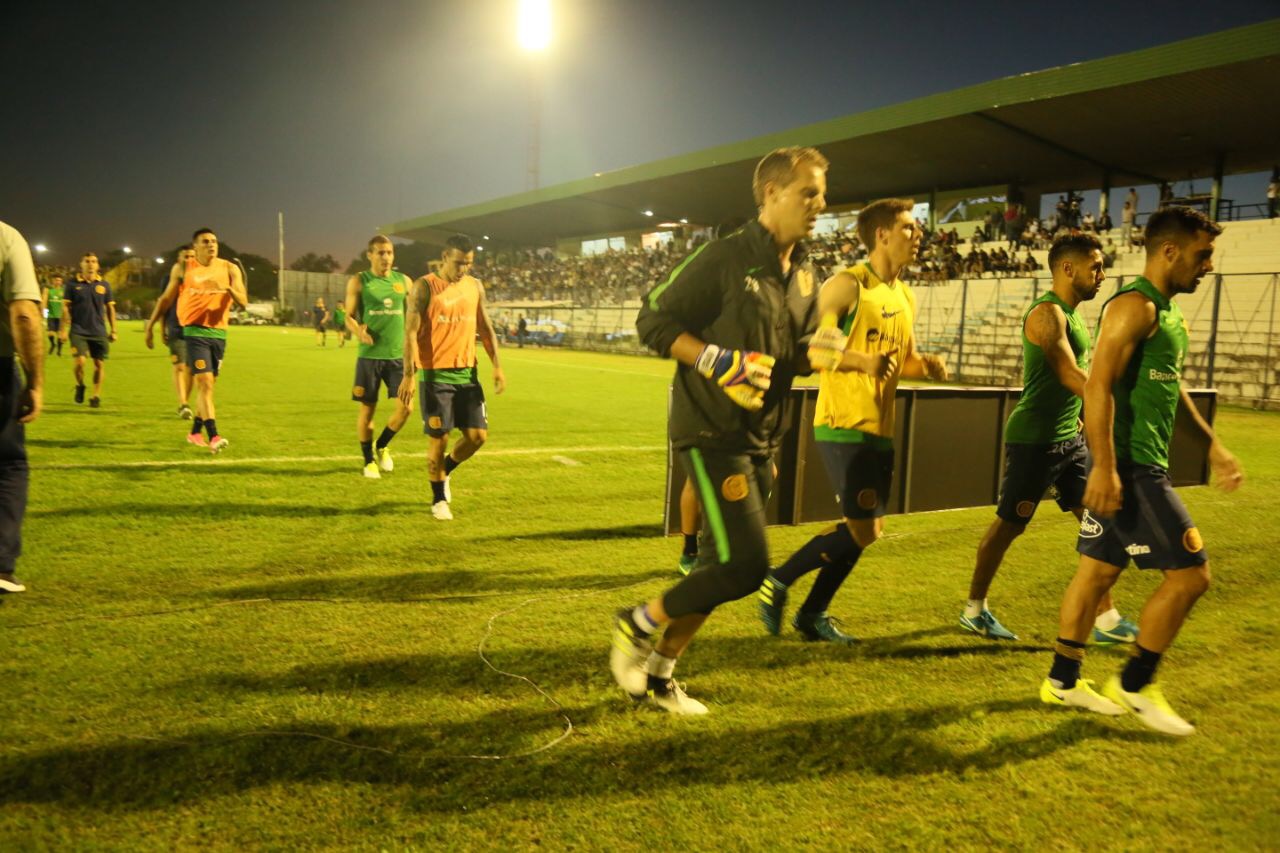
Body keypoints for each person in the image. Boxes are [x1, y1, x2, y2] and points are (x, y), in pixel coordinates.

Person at [609, 146, 826, 714]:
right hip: (709, 433)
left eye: (821, 194)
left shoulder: (805, 273)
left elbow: (795, 353)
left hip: (761, 438)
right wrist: (712, 360)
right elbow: (652, 318)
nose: (819, 204)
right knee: (746, 566)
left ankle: (660, 675)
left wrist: (827, 353)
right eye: (809, 192)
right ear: (771, 193)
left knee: (714, 568)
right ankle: (638, 621)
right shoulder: (724, 258)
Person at [1040, 206, 1242, 736]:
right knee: (1192, 576)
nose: (1207, 267)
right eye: (1202, 255)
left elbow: (1170, 387)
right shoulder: (1133, 308)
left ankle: (1061, 681)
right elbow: (1098, 385)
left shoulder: (1168, 314)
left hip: (1134, 463)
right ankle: (1135, 683)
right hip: (1129, 468)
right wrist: (1105, 468)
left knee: (1098, 572)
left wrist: (1213, 446)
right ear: (1169, 252)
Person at [756, 198, 947, 645]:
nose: (917, 234)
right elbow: (816, 352)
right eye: (907, 227)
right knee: (865, 529)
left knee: (864, 530)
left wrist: (927, 366)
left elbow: (904, 362)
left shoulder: (904, 294)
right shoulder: (847, 286)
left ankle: (811, 614)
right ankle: (778, 581)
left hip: (880, 428)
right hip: (843, 422)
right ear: (881, 234)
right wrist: (862, 362)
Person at [960, 233, 1136, 643]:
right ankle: (974, 610)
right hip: (1034, 442)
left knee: (1095, 523)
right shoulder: (1047, 315)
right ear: (1068, 269)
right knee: (1009, 526)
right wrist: (1112, 398)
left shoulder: (1073, 317)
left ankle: (1107, 620)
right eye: (1095, 267)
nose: (1102, 275)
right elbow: (1069, 374)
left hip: (1068, 441)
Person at [400, 235, 505, 520]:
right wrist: (409, 374)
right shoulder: (424, 287)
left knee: (477, 437)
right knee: (439, 438)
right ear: (444, 257)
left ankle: (445, 471)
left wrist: (497, 365)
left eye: (468, 264)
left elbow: (485, 327)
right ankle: (438, 501)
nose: (463, 269)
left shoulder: (474, 286)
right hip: (436, 377)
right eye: (459, 263)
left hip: (468, 376)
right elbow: (410, 332)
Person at [145, 228, 248, 453]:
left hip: (219, 334)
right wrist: (151, 325)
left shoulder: (230, 268)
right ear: (196, 247)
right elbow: (165, 299)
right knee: (205, 383)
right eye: (205, 242)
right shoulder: (184, 268)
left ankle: (194, 432)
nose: (211, 245)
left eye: (214, 241)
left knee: (207, 389)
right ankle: (214, 436)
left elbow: (244, 302)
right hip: (194, 333)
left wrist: (228, 288)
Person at [0, 222, 44, 595]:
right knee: (8, 464)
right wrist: (36, 382)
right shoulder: (6, 237)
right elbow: (25, 314)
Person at [346, 235, 412, 479]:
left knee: (406, 408)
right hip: (370, 357)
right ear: (370, 255)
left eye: (389, 252)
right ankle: (368, 460)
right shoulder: (359, 281)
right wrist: (357, 330)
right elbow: (348, 316)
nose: (386, 257)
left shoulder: (403, 281)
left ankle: (382, 445)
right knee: (367, 410)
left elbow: (417, 310)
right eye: (381, 253)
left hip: (398, 357)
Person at [60, 253, 116, 408]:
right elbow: (65, 308)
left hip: (98, 331)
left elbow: (110, 308)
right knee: (80, 362)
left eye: (94, 261)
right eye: (87, 261)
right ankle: (80, 385)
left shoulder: (104, 285)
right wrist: (63, 330)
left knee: (99, 365)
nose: (91, 264)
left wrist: (114, 329)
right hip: (78, 330)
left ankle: (96, 395)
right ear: (81, 264)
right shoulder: (72, 284)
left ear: (97, 265)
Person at [151, 247, 196, 420]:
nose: (190, 259)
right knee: (179, 366)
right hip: (176, 329)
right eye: (186, 257)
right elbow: (164, 304)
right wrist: (162, 329)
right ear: (179, 260)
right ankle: (183, 403)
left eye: (193, 256)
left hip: (195, 330)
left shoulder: (202, 278)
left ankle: (185, 402)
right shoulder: (168, 279)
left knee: (191, 370)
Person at [41, 274, 65, 357]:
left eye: (59, 280)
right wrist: (44, 316)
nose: (58, 282)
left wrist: (66, 317)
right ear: (53, 280)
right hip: (51, 315)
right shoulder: (48, 290)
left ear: (61, 282)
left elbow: (65, 305)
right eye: (56, 280)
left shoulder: (63, 291)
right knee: (50, 333)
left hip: (60, 316)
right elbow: (44, 303)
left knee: (60, 334)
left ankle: (59, 351)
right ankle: (53, 344)